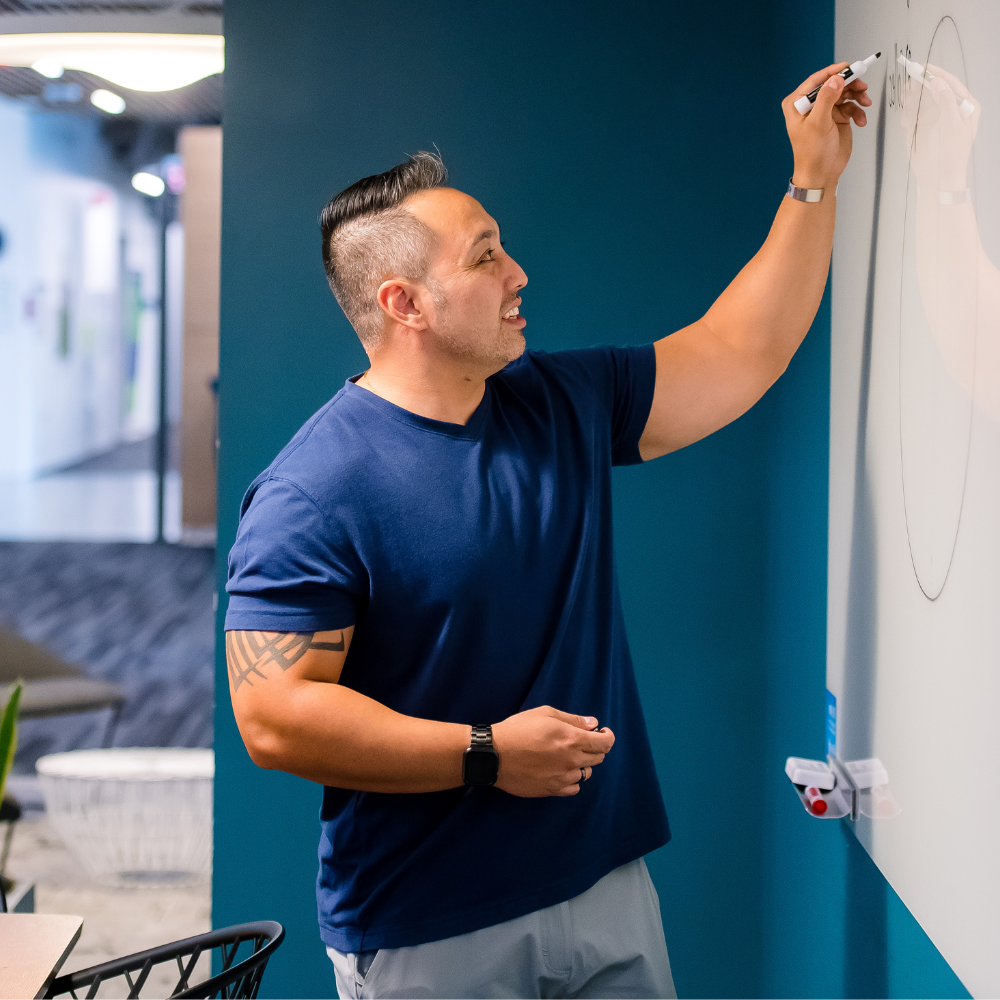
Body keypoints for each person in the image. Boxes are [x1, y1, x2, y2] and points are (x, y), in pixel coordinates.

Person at [224, 63, 871, 999]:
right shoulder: (313, 490)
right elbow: (274, 717)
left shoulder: (558, 403)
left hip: (604, 885)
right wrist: (484, 753)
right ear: (405, 303)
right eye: (485, 257)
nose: (517, 272)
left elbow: (743, 348)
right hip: (429, 926)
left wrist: (813, 182)